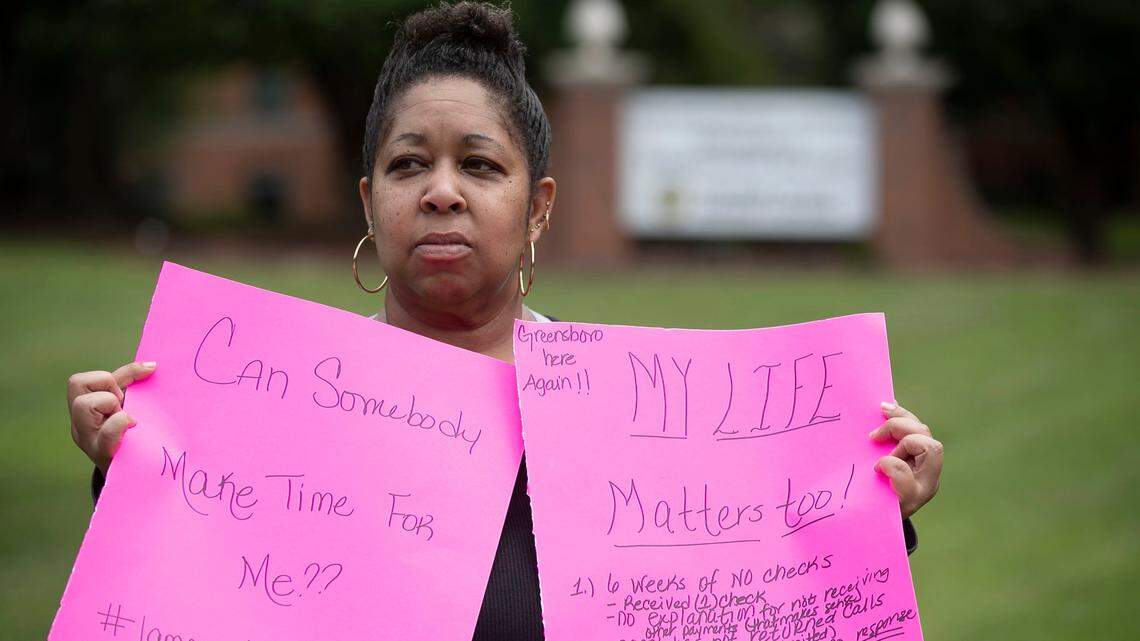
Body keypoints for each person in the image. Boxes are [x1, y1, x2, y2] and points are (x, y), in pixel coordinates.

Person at [65, 3, 944, 639]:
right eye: (411, 163)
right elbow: (191, 600)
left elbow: (766, 598)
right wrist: (132, 466)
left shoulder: (631, 423)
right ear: (372, 200)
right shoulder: (267, 413)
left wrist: (872, 514)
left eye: (479, 165)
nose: (441, 189)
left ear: (538, 207)